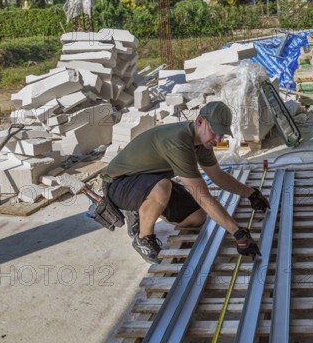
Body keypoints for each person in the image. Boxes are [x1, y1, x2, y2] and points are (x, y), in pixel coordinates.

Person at [100, 101, 270, 264]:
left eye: (222, 134)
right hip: (119, 184)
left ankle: (144, 208)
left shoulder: (203, 143)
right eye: (214, 131)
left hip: (148, 179)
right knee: (162, 188)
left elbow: (217, 176)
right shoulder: (178, 142)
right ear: (200, 121)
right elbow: (201, 195)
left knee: (197, 217)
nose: (218, 139)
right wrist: (238, 232)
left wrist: (251, 194)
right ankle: (143, 239)